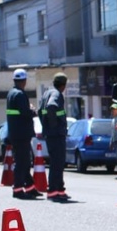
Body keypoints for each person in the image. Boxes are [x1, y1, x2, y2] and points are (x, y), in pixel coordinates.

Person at [6, 69, 40, 199]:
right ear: (24, 81)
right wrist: (32, 111)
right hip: (21, 134)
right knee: (21, 162)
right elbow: (25, 112)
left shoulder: (11, 93)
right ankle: (18, 189)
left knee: (24, 162)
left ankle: (30, 187)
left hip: (16, 133)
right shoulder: (20, 95)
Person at [39, 72, 71, 201]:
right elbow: (51, 107)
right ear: (63, 85)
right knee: (57, 163)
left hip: (50, 134)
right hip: (56, 134)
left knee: (56, 162)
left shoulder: (47, 93)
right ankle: (53, 190)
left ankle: (59, 189)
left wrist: (46, 126)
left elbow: (40, 111)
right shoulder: (56, 94)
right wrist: (55, 126)